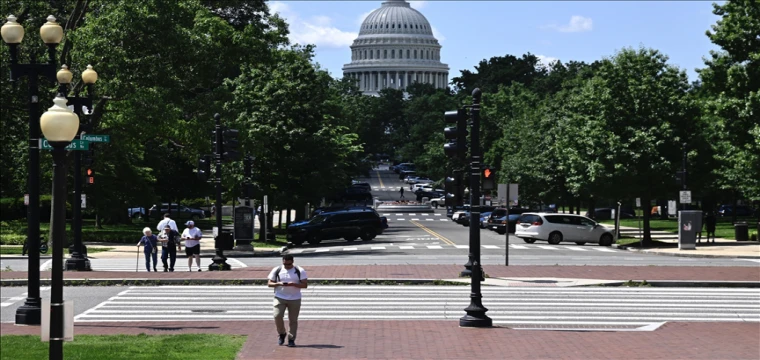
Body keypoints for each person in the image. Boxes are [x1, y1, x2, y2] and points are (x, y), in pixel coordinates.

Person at [267, 254, 308, 347]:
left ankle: (291, 339)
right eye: (285, 264)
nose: (287, 266)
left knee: (293, 320)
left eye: (289, 264)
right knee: (277, 315)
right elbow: (269, 283)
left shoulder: (299, 270)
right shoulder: (277, 269)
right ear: (283, 262)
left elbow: (305, 285)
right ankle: (282, 333)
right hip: (280, 297)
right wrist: (279, 283)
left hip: (295, 298)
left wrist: (294, 284)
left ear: (292, 262)